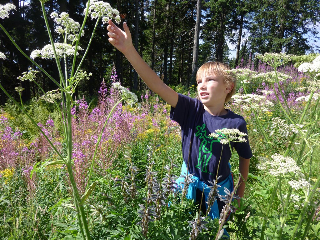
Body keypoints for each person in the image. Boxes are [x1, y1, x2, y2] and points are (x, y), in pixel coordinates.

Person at [107, 20, 252, 221]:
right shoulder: (191, 109)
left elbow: (245, 157)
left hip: (219, 193)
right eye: (199, 81)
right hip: (188, 185)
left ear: (228, 86)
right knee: (179, 224)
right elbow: (158, 85)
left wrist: (239, 195)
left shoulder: (236, 123)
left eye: (209, 80)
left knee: (217, 232)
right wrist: (129, 50)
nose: (202, 85)